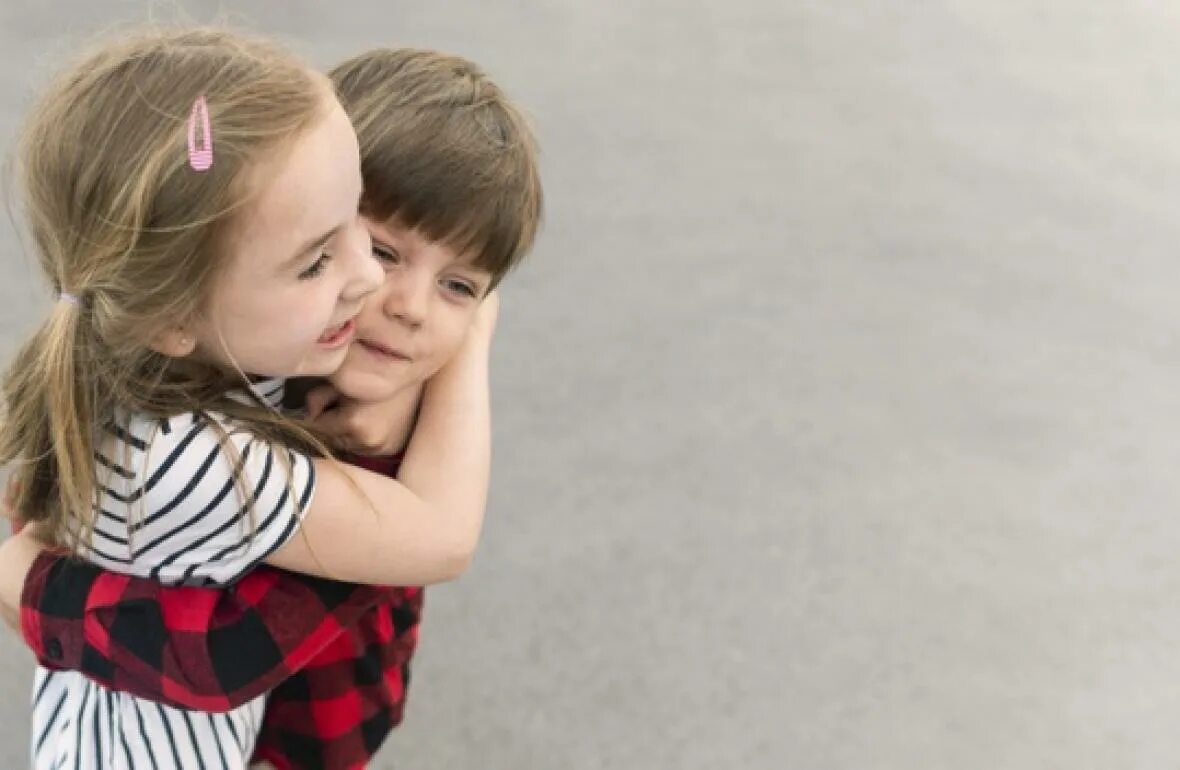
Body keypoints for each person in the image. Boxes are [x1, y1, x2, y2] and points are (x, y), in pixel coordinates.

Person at [1, 46, 541, 770]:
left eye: (460, 288)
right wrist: (469, 346)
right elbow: (224, 651)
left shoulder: (248, 343)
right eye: (355, 249)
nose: (378, 292)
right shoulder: (197, 451)